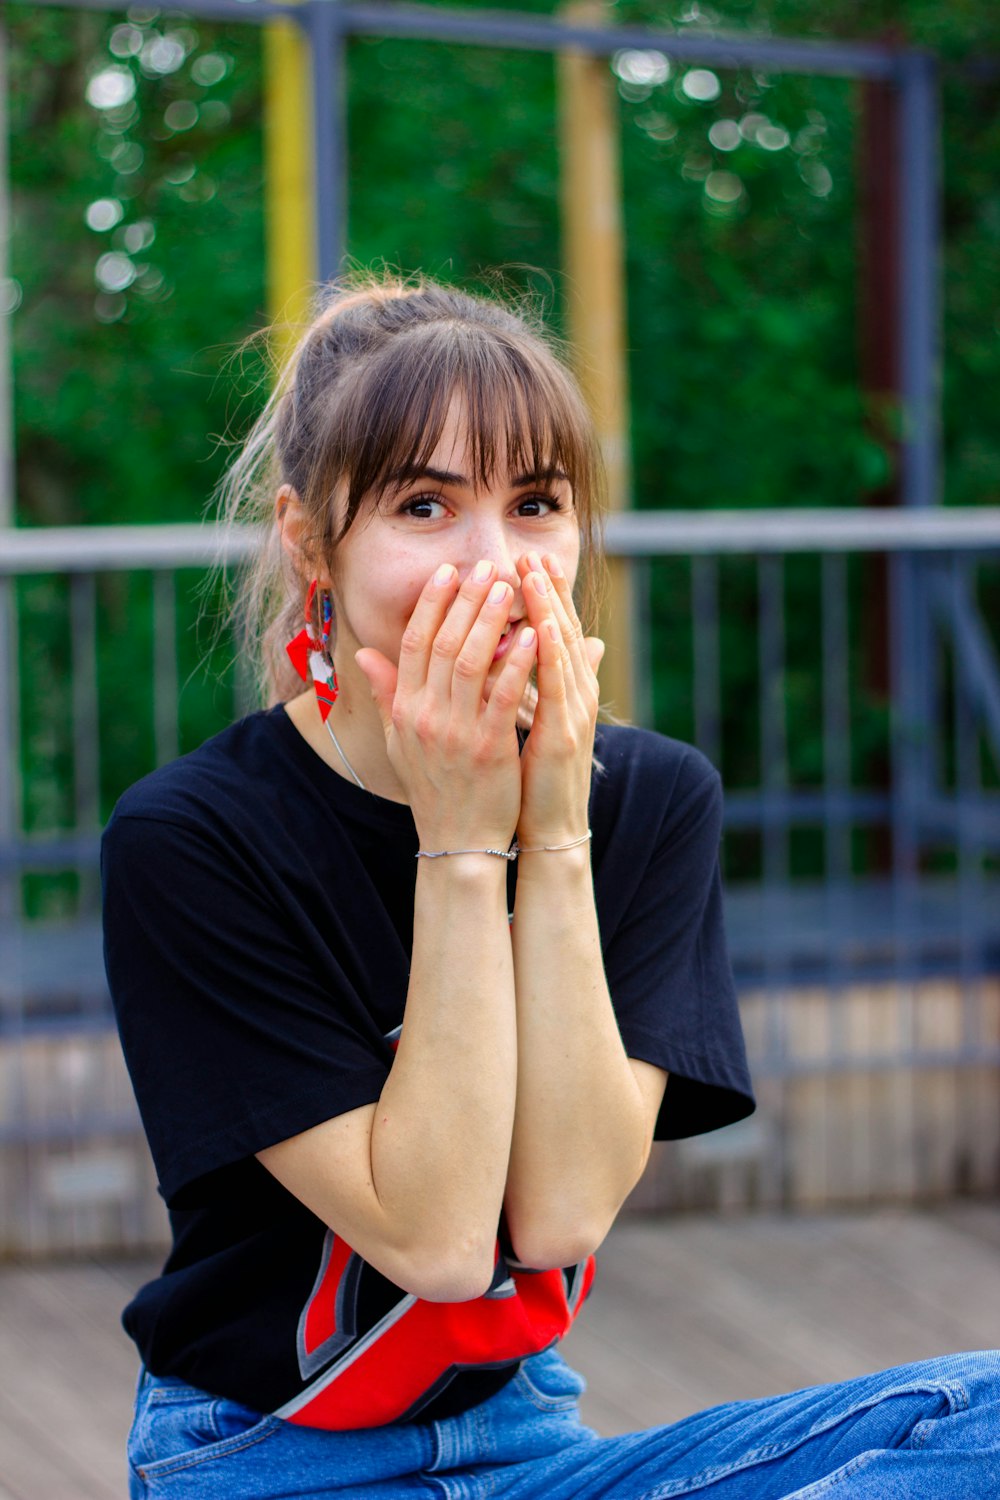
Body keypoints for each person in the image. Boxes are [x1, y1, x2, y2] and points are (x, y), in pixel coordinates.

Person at [103, 274, 1000, 1499]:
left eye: (535, 502)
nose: (496, 561)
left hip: (529, 1448)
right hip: (266, 1462)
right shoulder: (195, 838)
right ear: (310, 541)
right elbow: (438, 1241)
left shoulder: (646, 799)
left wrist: (554, 828)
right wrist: (464, 843)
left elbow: (567, 1214)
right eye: (426, 503)